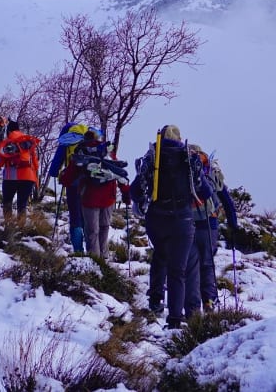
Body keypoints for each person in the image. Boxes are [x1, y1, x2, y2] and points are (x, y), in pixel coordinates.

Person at [131, 124, 212, 329]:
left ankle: (155, 299)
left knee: (160, 255)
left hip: (156, 219)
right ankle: (175, 319)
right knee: (178, 270)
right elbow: (206, 192)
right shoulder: (188, 158)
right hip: (182, 220)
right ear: (179, 138)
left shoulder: (152, 157)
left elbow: (136, 190)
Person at [184, 146, 238, 317]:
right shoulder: (211, 173)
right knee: (207, 264)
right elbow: (227, 201)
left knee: (191, 267)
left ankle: (192, 310)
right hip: (210, 225)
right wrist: (233, 225)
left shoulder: (184, 171)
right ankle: (209, 300)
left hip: (188, 224)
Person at [60, 129, 130, 259]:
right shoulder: (107, 152)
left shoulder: (81, 153)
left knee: (92, 232)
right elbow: (118, 172)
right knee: (104, 227)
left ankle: (95, 262)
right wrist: (126, 193)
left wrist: (62, 177)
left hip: (89, 198)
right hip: (108, 197)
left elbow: (67, 178)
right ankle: (104, 258)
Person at [48, 122, 89, 253]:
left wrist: (54, 172)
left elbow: (58, 159)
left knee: (75, 215)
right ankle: (93, 249)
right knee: (88, 215)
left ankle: (78, 250)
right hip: (90, 182)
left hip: (73, 182)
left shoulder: (68, 139)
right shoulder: (88, 137)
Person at [0, 120, 40, 226]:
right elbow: (36, 164)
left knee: (7, 202)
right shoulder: (28, 142)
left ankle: (8, 225)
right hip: (28, 178)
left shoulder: (7, 142)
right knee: (22, 204)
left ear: (8, 130)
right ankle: (21, 227)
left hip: (11, 178)